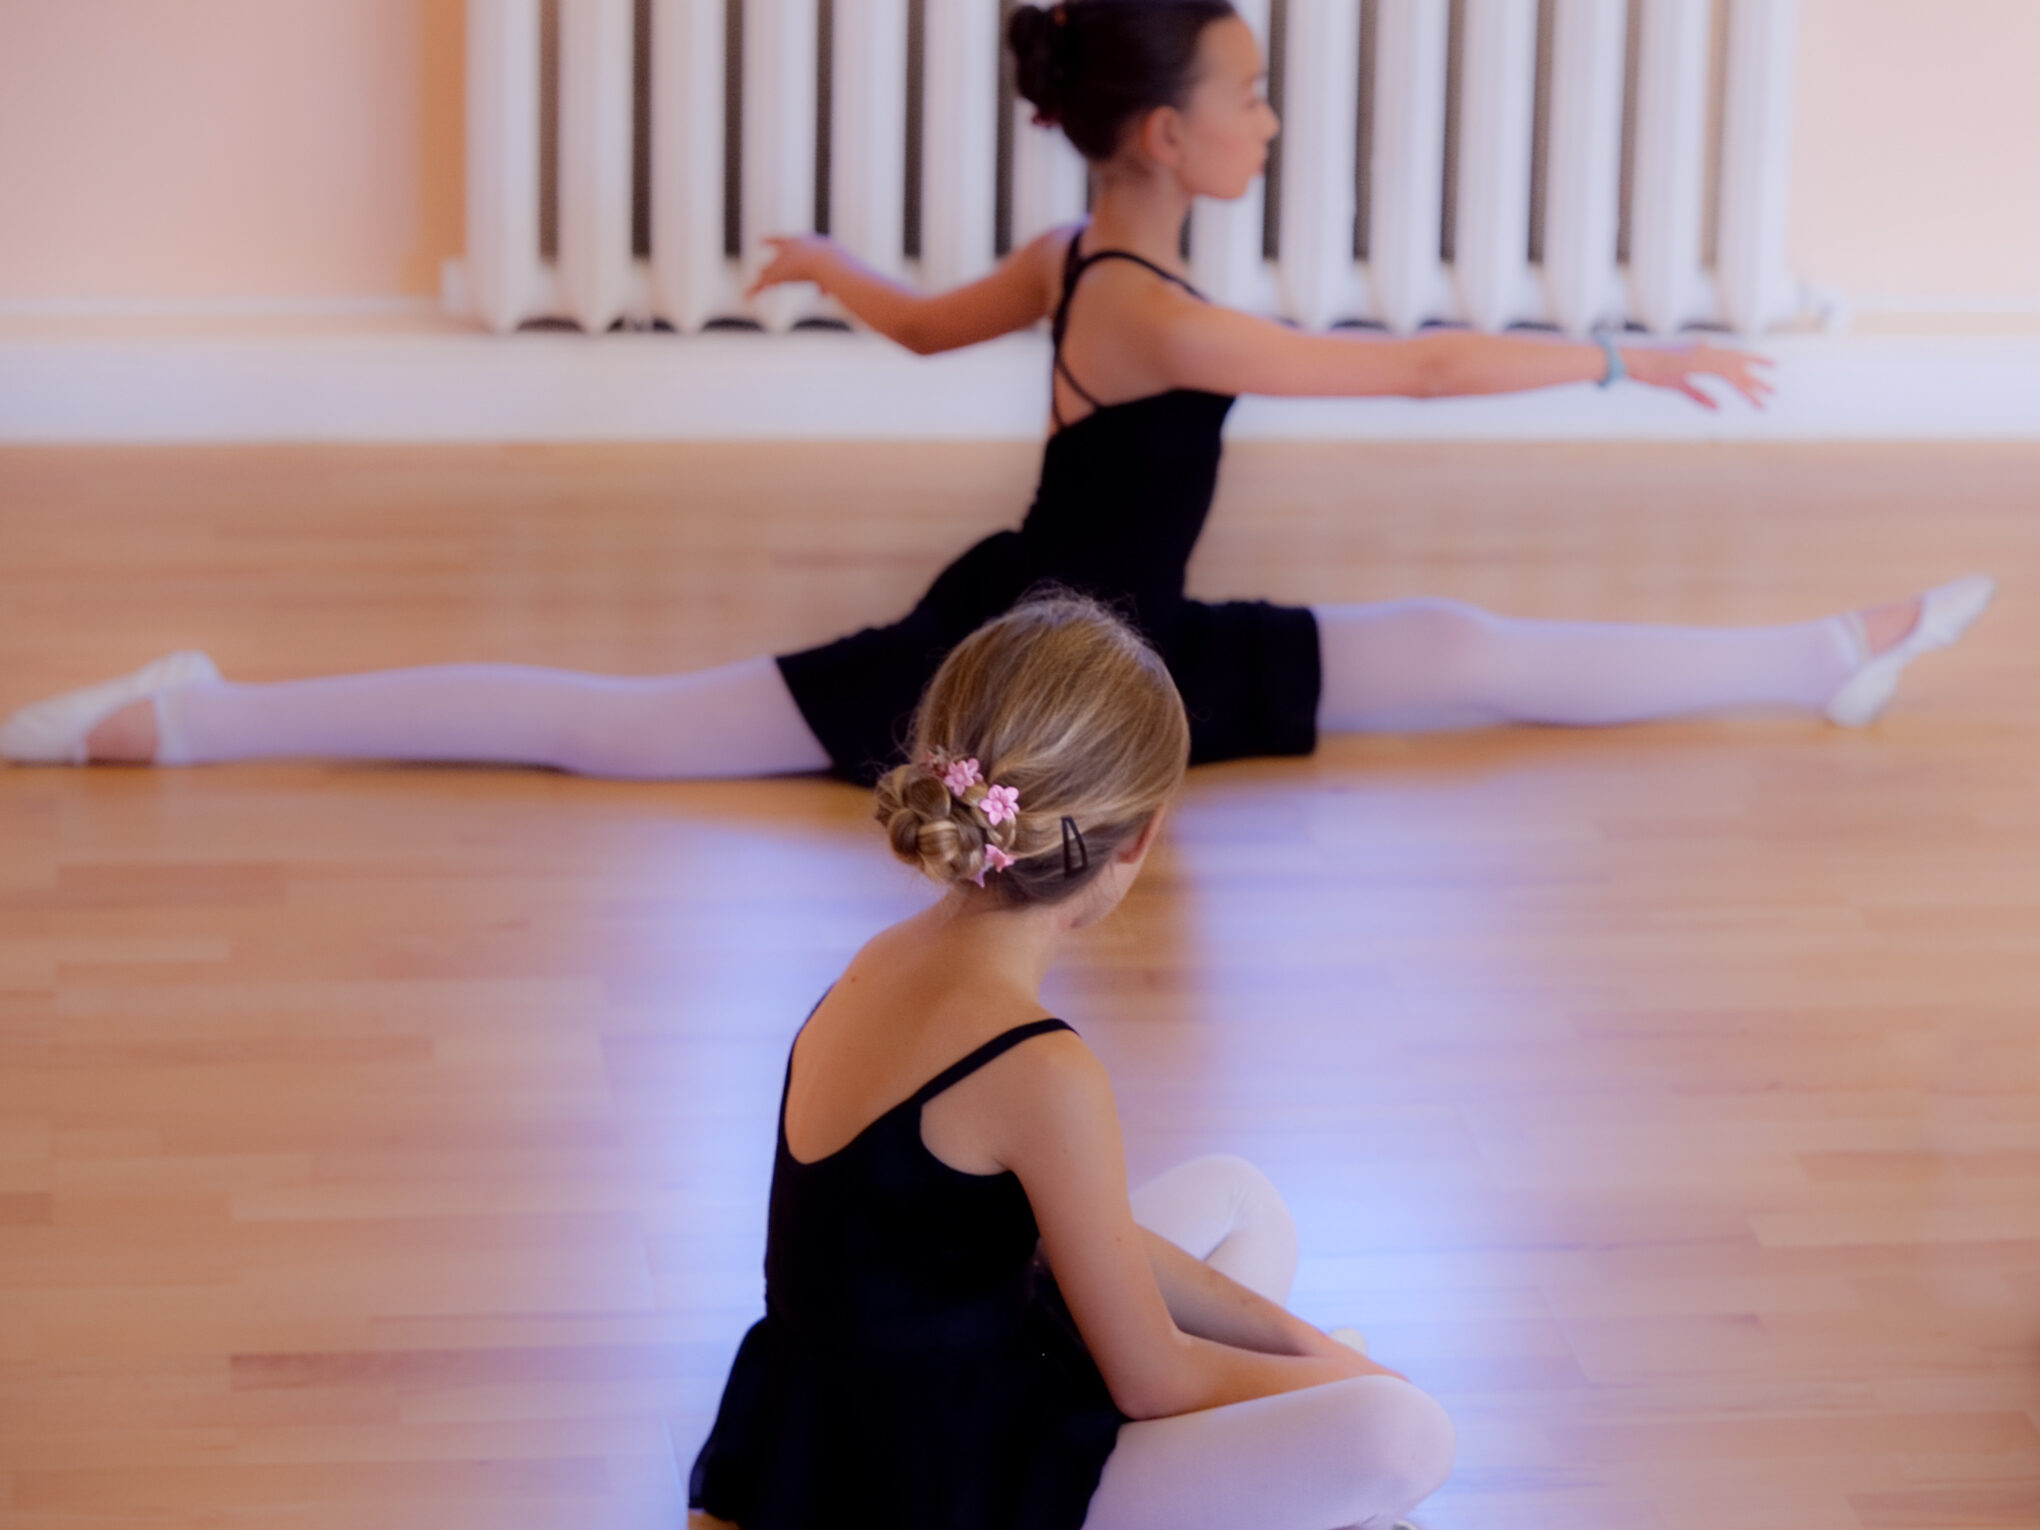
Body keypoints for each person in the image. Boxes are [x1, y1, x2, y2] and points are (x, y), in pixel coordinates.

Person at [1, 0, 1993, 775]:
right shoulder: (1148, 311)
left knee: (1459, 647)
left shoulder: (1079, 261)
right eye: (1249, 95)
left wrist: (828, 266)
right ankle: (190, 717)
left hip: (1128, 647)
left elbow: (924, 330)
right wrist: (1633, 350)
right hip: (1031, 672)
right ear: (1163, 131)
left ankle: (1825, 654)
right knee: (616, 730)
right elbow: (1411, 369)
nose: (1271, 120)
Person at [688, 593, 1455, 1530]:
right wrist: (1343, 1385)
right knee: (1406, 1436)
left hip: (828, 1436)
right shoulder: (1040, 1069)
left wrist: (1314, 1354)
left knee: (1240, 1202)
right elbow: (1152, 1379)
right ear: (1140, 838)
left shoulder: (877, 962)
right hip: (942, 1482)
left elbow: (1049, 1239)